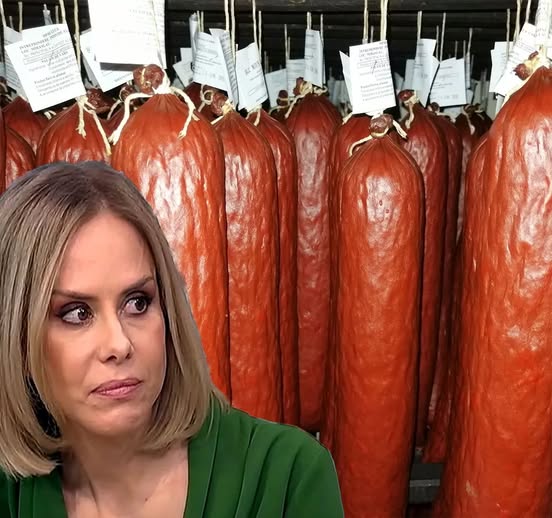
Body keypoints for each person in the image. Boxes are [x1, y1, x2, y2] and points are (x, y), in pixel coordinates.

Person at [0, 162, 344, 518]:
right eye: (76, 313)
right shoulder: (9, 491)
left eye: (137, 303)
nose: (119, 345)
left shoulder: (288, 477)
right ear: (18, 340)